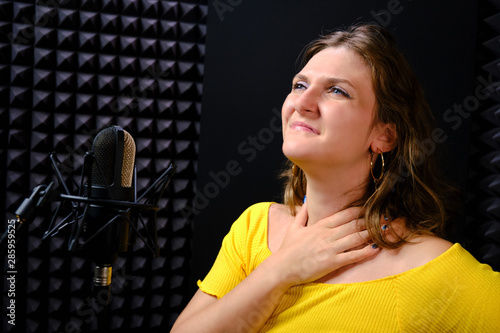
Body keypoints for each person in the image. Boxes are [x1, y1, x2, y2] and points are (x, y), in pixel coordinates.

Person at [171, 24, 500, 332]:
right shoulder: (254, 228)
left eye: (337, 91)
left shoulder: (428, 267)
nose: (302, 102)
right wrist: (282, 269)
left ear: (384, 135)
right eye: (300, 85)